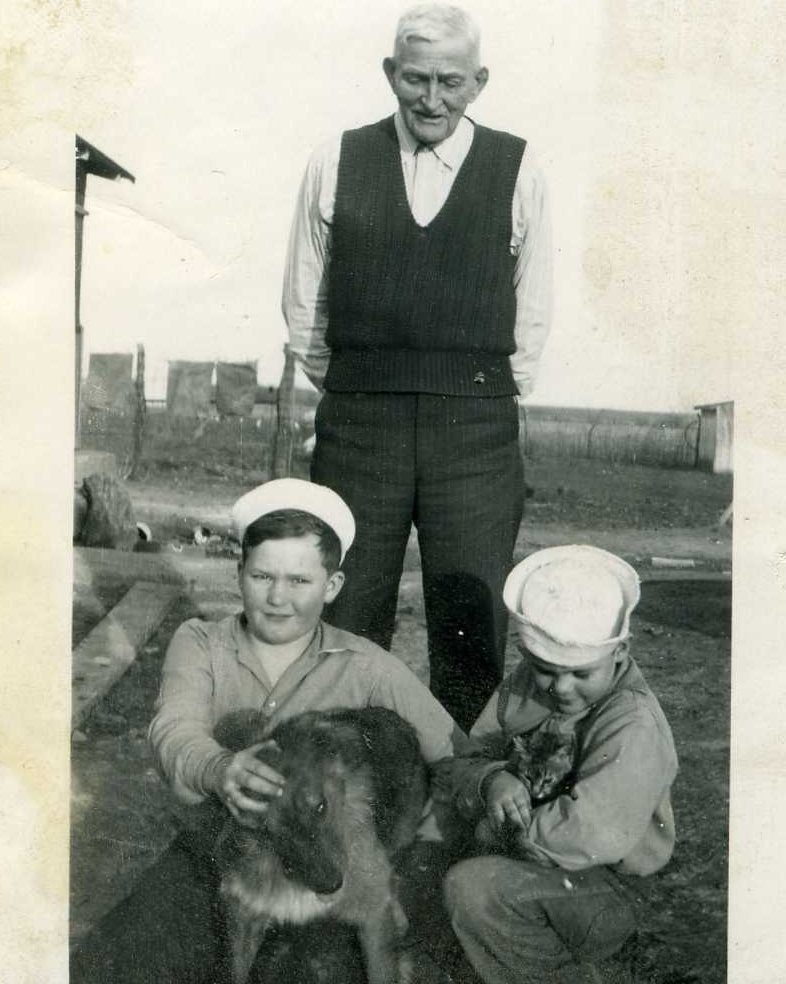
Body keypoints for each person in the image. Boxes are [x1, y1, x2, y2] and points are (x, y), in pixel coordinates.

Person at [71, 478, 465, 984]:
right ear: (239, 574)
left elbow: (457, 756)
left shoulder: (369, 666)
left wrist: (409, 858)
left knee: (310, 969)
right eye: (262, 576)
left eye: (299, 581)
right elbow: (174, 729)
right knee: (111, 961)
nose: (278, 598)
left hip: (324, 861)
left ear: (333, 586)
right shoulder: (200, 643)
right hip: (218, 856)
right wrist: (219, 769)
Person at [283, 3, 553, 732]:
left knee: (471, 616)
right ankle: (346, 782)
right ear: (389, 74)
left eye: (450, 82)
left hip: (474, 429)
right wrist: (360, 382)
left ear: (479, 82)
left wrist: (477, 394)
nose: (431, 99)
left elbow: (532, 309)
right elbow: (305, 303)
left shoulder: (517, 166)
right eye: (415, 79)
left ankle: (462, 794)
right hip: (360, 424)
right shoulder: (334, 159)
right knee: (349, 608)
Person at [443, 545, 679, 984]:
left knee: (473, 889)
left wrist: (496, 828)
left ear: (620, 653)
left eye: (581, 674)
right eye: (546, 670)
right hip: (534, 863)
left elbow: (589, 832)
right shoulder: (523, 685)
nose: (562, 688)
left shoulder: (632, 722)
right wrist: (490, 779)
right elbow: (468, 757)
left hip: (603, 883)